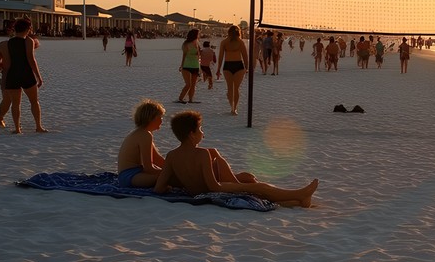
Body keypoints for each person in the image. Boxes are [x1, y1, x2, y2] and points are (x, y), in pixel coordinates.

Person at [155, 110, 319, 207]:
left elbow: (159, 188)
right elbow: (213, 185)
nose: (203, 134)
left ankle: (296, 201)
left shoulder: (172, 155)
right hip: (210, 191)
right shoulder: (202, 154)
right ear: (191, 134)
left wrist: (171, 188)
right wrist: (235, 186)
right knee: (258, 187)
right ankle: (298, 194)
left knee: (248, 178)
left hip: (198, 191)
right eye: (200, 130)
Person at [0, 17, 46, 133]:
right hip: (26, 74)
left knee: (15, 104)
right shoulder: (28, 41)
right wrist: (39, 77)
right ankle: (38, 127)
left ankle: (17, 129)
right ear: (28, 29)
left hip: (12, 75)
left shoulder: (6, 44)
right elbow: (31, 60)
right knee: (34, 101)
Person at [116, 99, 167, 188]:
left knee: (169, 175)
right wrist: (169, 173)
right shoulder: (145, 135)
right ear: (152, 118)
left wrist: (174, 168)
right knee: (167, 178)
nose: (161, 121)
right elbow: (148, 168)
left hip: (135, 173)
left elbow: (157, 159)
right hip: (130, 175)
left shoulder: (144, 133)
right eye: (160, 117)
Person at [216, 24, 249, 116]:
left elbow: (221, 57)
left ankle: (233, 108)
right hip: (237, 65)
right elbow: (245, 56)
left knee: (232, 88)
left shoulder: (225, 42)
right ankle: (234, 108)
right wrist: (247, 67)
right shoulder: (239, 42)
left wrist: (218, 69)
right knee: (234, 88)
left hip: (230, 65)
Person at [177, 28, 201, 104]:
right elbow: (184, 55)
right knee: (188, 84)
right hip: (187, 65)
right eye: (198, 34)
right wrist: (181, 65)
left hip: (195, 65)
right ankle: (181, 98)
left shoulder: (197, 43)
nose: (199, 35)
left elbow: (198, 56)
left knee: (193, 85)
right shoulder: (186, 44)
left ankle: (191, 99)